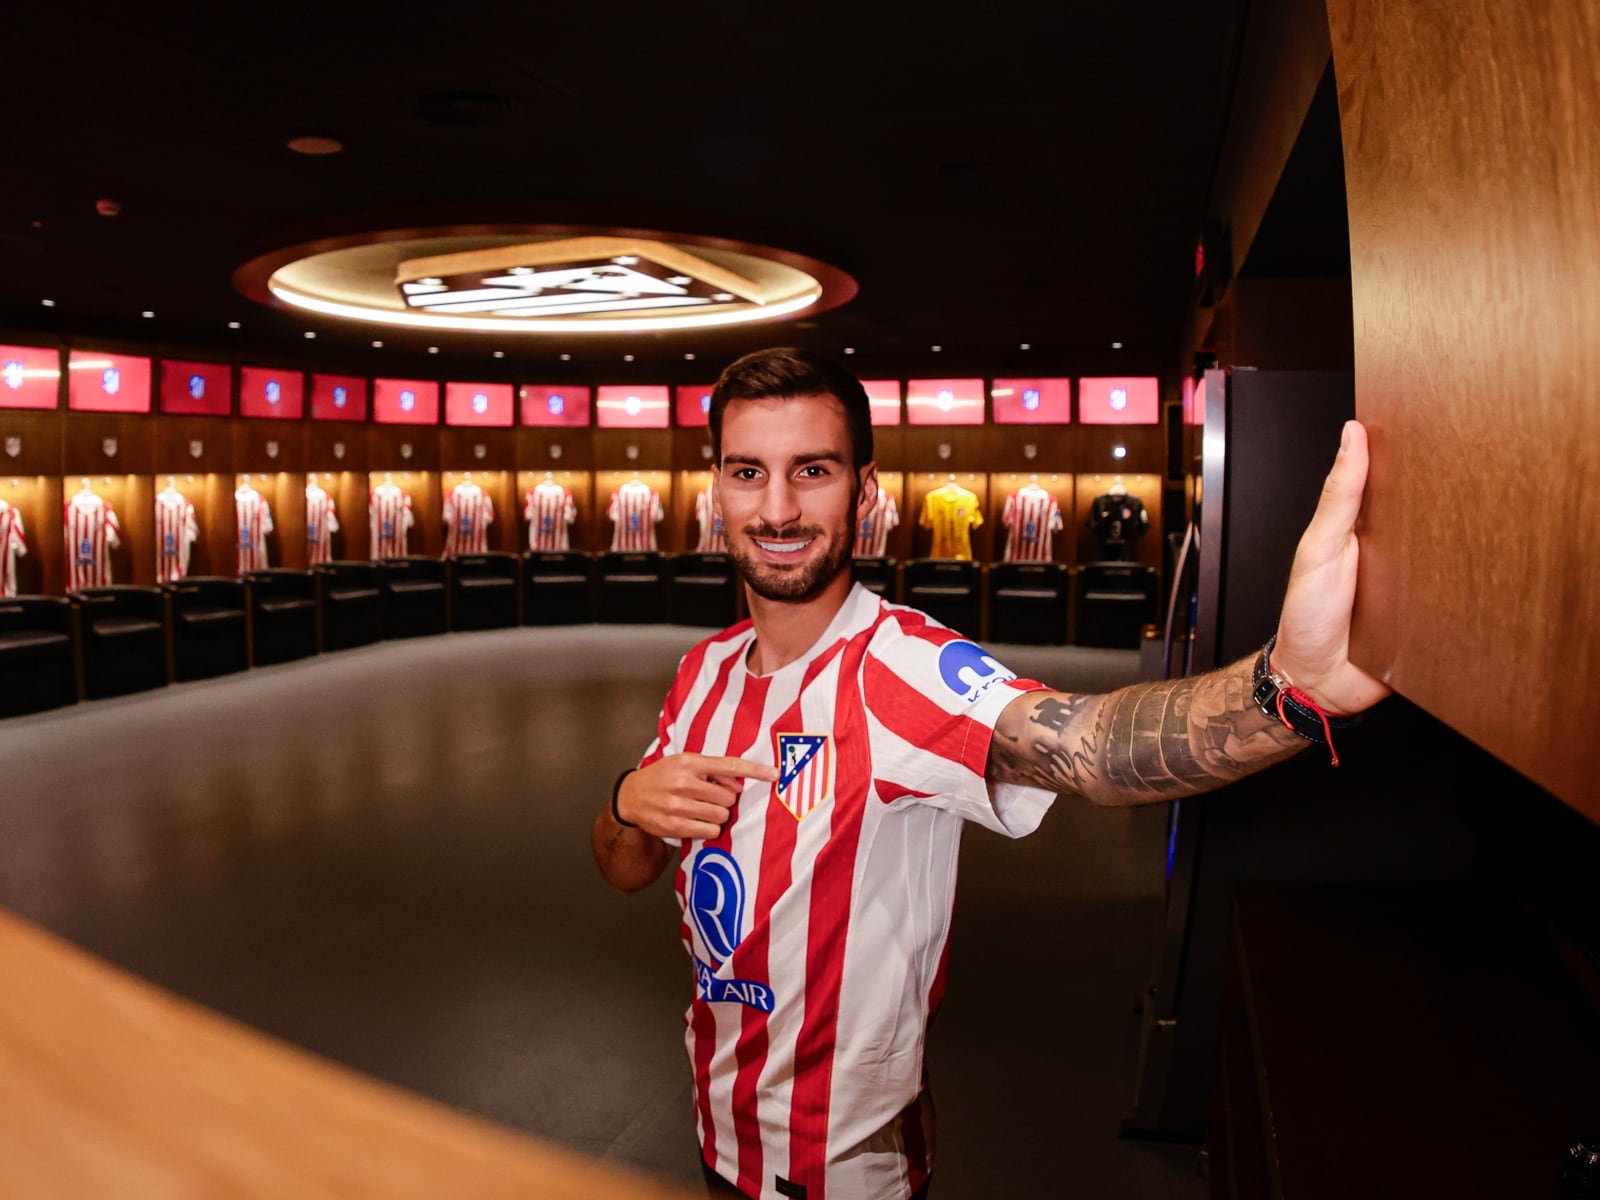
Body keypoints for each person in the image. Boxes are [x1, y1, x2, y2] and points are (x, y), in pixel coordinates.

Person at [591, 348, 1388, 1200]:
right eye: (749, 472)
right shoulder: (704, 671)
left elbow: (1093, 747)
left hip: (839, 1170)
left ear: (864, 491)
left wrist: (1287, 690)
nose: (778, 507)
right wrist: (626, 803)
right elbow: (628, 866)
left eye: (812, 471)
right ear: (717, 486)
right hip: (718, 1125)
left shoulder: (897, 668)